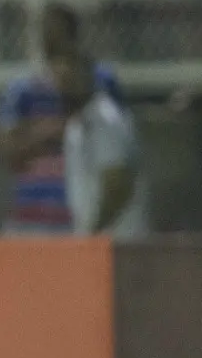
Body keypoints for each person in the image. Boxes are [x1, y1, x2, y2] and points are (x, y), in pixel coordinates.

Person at [0, 3, 122, 234]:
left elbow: (115, 144)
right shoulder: (22, 89)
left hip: (83, 217)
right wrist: (49, 133)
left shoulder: (102, 83)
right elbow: (8, 153)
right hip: (30, 218)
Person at [51, 53, 149, 239]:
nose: (65, 87)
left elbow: (117, 185)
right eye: (61, 80)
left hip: (120, 244)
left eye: (72, 78)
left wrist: (92, 235)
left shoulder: (106, 118)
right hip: (96, 244)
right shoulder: (75, 127)